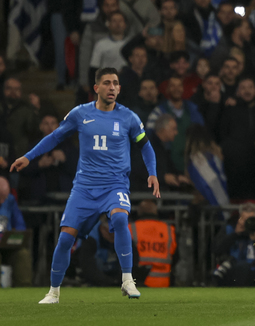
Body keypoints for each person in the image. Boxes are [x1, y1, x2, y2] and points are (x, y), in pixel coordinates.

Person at [11, 67, 160, 303]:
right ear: (96, 88)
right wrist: (29, 156)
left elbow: (146, 146)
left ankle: (127, 280)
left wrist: (152, 173)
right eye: (107, 83)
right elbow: (55, 137)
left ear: (120, 88)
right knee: (66, 239)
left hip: (115, 185)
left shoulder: (128, 117)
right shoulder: (80, 114)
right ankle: (54, 292)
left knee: (121, 219)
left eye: (116, 83)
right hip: (84, 188)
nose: (112, 87)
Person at [128, 200, 177, 287]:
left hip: (138, 283)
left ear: (139, 211)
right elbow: (176, 256)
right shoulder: (169, 230)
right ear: (156, 211)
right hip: (163, 283)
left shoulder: (130, 228)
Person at [0, 176, 31, 287]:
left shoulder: (10, 200)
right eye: (0, 197)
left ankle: (23, 290)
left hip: (7, 245)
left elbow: (20, 225)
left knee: (23, 254)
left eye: (5, 197)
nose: (3, 201)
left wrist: (14, 235)